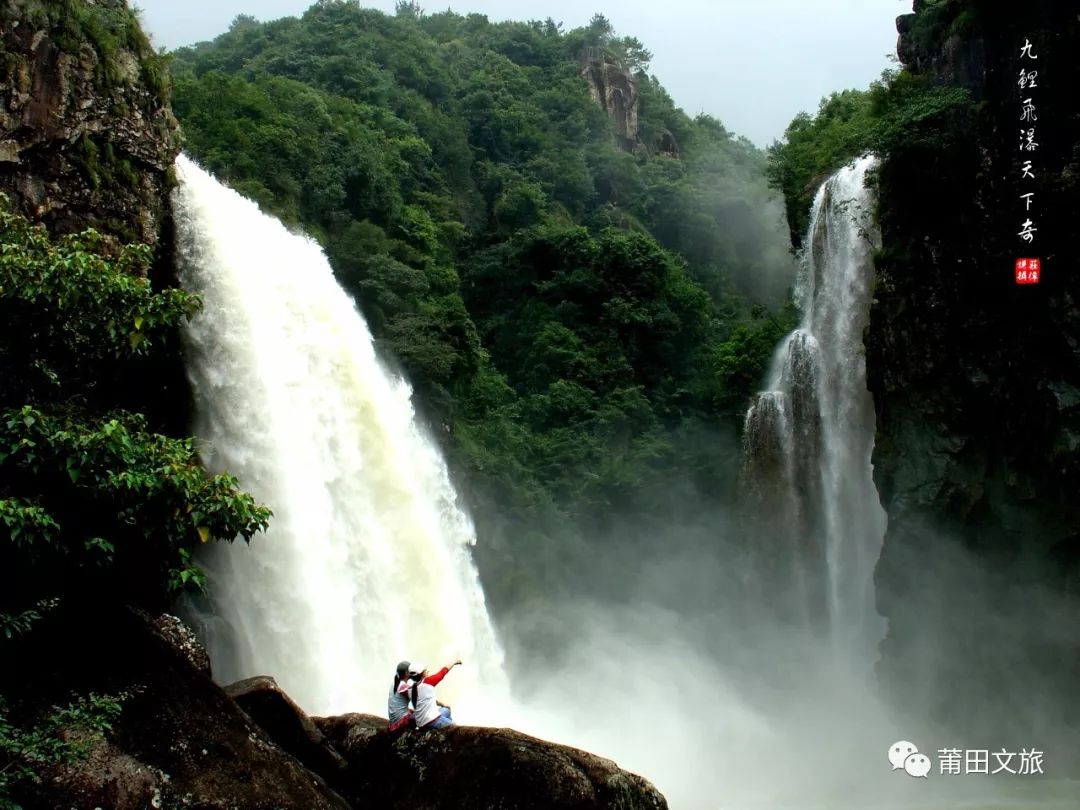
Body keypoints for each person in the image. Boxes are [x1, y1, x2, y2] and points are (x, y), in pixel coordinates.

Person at [408, 659, 462, 730]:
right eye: (426, 670)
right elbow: (443, 672)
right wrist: (454, 662)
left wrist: (441, 704)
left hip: (420, 722)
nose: (427, 672)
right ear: (423, 673)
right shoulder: (428, 682)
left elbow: (423, 699)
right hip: (432, 721)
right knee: (455, 729)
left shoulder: (409, 690)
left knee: (446, 710)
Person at [387, 660, 414, 732]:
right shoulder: (403, 686)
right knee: (423, 716)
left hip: (393, 724)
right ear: (406, 673)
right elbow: (419, 696)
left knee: (413, 711)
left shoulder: (394, 683)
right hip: (401, 723)